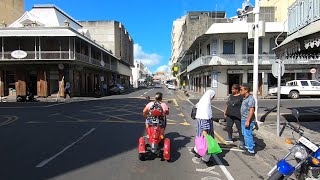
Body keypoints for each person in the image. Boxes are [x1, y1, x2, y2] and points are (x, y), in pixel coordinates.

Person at [191, 90, 216, 163]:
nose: (213, 98)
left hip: (199, 126)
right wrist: (205, 132)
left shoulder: (201, 101)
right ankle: (205, 159)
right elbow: (205, 118)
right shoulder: (206, 104)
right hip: (205, 128)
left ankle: (196, 150)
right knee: (207, 144)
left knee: (200, 140)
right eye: (213, 96)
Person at [223, 84, 244, 148]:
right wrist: (225, 111)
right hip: (229, 114)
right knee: (229, 126)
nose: (232, 90)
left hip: (237, 115)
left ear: (237, 90)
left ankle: (242, 141)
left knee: (239, 128)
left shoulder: (241, 97)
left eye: (233, 89)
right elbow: (228, 104)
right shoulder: (231, 96)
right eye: (232, 89)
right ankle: (229, 137)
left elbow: (244, 106)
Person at [240, 84, 256, 156]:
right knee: (244, 133)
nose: (240, 91)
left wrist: (248, 121)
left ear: (246, 90)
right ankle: (247, 146)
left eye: (241, 90)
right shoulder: (245, 98)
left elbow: (251, 111)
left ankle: (251, 150)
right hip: (243, 119)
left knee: (247, 135)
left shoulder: (250, 99)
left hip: (247, 119)